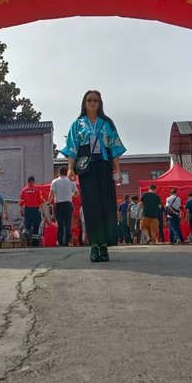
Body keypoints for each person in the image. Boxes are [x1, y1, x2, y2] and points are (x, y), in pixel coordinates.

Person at [62, 90, 126, 263]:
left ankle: (104, 246)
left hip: (104, 166)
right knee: (91, 206)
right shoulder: (77, 124)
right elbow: (72, 148)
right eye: (89, 100)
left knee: (106, 205)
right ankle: (94, 245)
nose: (92, 103)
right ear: (84, 103)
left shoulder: (107, 123)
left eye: (95, 100)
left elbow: (114, 148)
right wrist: (70, 168)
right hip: (87, 169)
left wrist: (117, 170)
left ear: (100, 103)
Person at [48, 167, 78, 247]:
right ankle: (67, 241)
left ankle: (60, 241)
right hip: (68, 204)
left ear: (59, 172)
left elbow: (51, 193)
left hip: (58, 204)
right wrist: (70, 195)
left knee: (60, 223)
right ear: (66, 172)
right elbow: (76, 193)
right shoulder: (71, 182)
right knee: (68, 223)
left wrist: (48, 202)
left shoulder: (55, 181)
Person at [20, 176, 44, 247]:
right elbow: (40, 202)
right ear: (33, 181)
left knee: (27, 227)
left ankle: (27, 239)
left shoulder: (24, 190)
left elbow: (21, 202)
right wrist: (43, 212)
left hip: (27, 210)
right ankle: (34, 242)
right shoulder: (37, 190)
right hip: (35, 210)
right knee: (36, 227)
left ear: (28, 182)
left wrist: (21, 210)